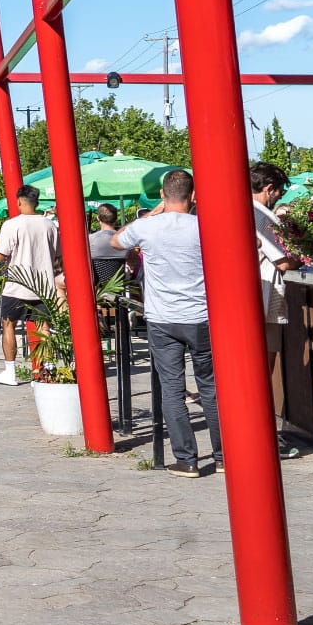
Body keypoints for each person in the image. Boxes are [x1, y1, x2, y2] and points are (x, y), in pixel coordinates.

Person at [113, 170, 218, 476]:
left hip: (162, 318)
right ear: (193, 196)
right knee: (210, 387)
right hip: (200, 316)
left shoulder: (149, 227)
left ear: (162, 195)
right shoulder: (203, 225)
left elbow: (117, 241)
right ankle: (224, 455)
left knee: (172, 390)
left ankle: (186, 459)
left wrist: (152, 215)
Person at [251, 161, 306, 460]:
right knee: (263, 369)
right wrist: (303, 254)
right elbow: (284, 262)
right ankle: (264, 436)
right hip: (263, 301)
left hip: (251, 301)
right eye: (279, 192)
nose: (280, 198)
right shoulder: (262, 216)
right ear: (269, 188)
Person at [0, 184, 60, 385]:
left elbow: (1, 256)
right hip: (43, 284)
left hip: (17, 284)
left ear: (19, 201)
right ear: (37, 202)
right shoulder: (49, 225)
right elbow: (58, 254)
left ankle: (10, 371)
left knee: (9, 325)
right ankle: (46, 371)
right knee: (43, 326)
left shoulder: (12, 225)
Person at [88, 204, 128, 288]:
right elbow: (134, 262)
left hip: (96, 290)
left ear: (98, 218)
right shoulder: (125, 240)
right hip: (118, 289)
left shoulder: (90, 240)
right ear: (116, 219)